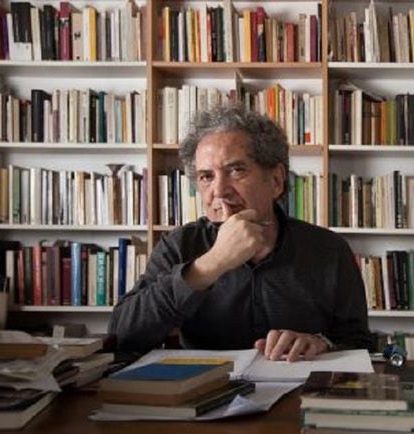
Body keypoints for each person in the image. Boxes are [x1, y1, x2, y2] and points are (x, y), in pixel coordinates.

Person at [108, 105, 372, 362]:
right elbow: (121, 336)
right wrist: (212, 264)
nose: (219, 190)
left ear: (276, 180)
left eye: (236, 170)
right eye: (206, 177)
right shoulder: (179, 245)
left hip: (301, 388)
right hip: (205, 389)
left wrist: (322, 343)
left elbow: (359, 342)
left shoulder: (329, 249)